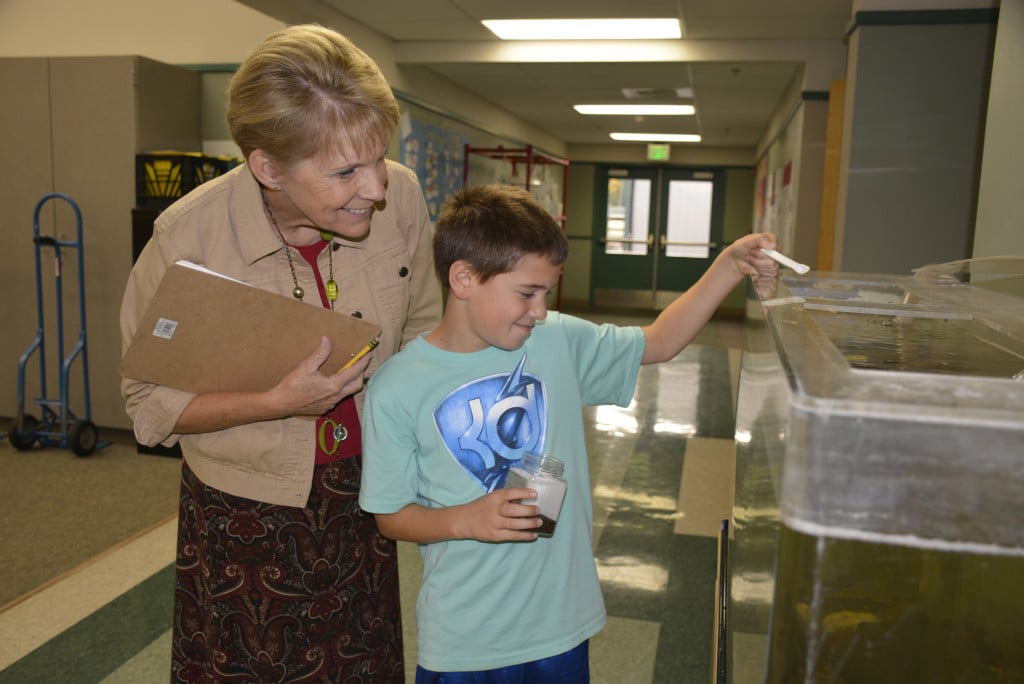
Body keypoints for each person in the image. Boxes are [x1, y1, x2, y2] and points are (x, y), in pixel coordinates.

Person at [119, 24, 442, 683]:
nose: (376, 187)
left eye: (380, 158)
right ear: (267, 166)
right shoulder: (188, 240)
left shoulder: (402, 198)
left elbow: (425, 330)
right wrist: (274, 403)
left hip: (365, 494)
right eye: (346, 171)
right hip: (244, 513)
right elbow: (149, 409)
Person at [359, 183, 779, 682]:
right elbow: (390, 515)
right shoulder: (396, 387)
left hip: (560, 624)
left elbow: (660, 341)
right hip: (465, 637)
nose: (539, 311)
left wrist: (730, 265)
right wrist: (464, 519)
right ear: (464, 278)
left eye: (546, 294)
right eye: (526, 293)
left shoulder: (555, 340)